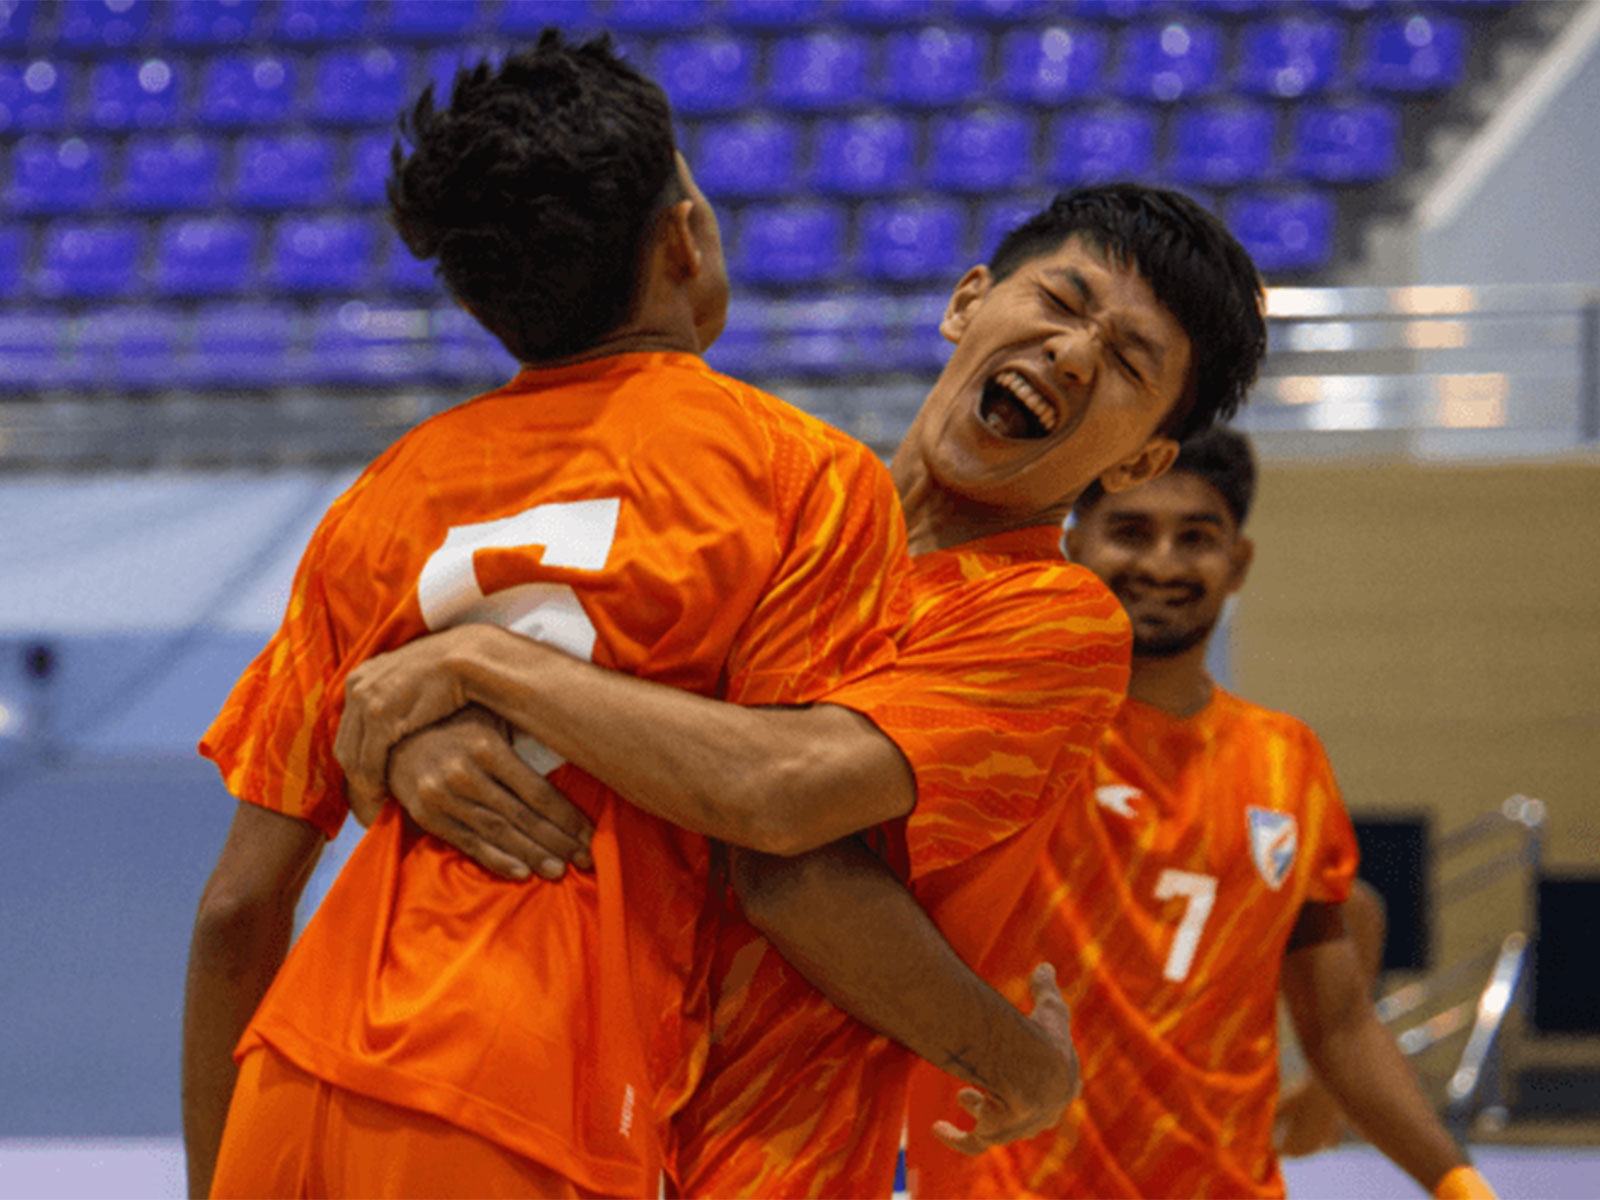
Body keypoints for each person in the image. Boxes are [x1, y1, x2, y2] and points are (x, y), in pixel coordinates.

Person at [184, 34, 1077, 1200]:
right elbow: (788, 842)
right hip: (527, 1094)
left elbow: (238, 906)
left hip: (292, 1078)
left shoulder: (385, 494)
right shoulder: (795, 474)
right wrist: (1019, 1065)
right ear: (683, 234)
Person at [332, 187, 1269, 1197]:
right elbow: (526, 694)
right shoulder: (773, 504)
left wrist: (483, 673)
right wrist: (420, 731)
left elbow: (785, 834)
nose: (1073, 353)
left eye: (1128, 362)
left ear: (1141, 459)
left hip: (773, 1161)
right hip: (547, 1095)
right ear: (967, 303)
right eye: (1060, 301)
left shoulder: (1052, 620)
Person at [904, 428, 1498, 1199]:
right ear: (1074, 545)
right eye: (1130, 531)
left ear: (1238, 563)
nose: (1161, 562)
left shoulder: (1287, 756)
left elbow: (1342, 1009)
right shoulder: (1011, 724)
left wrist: (1457, 1184)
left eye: (1196, 537)